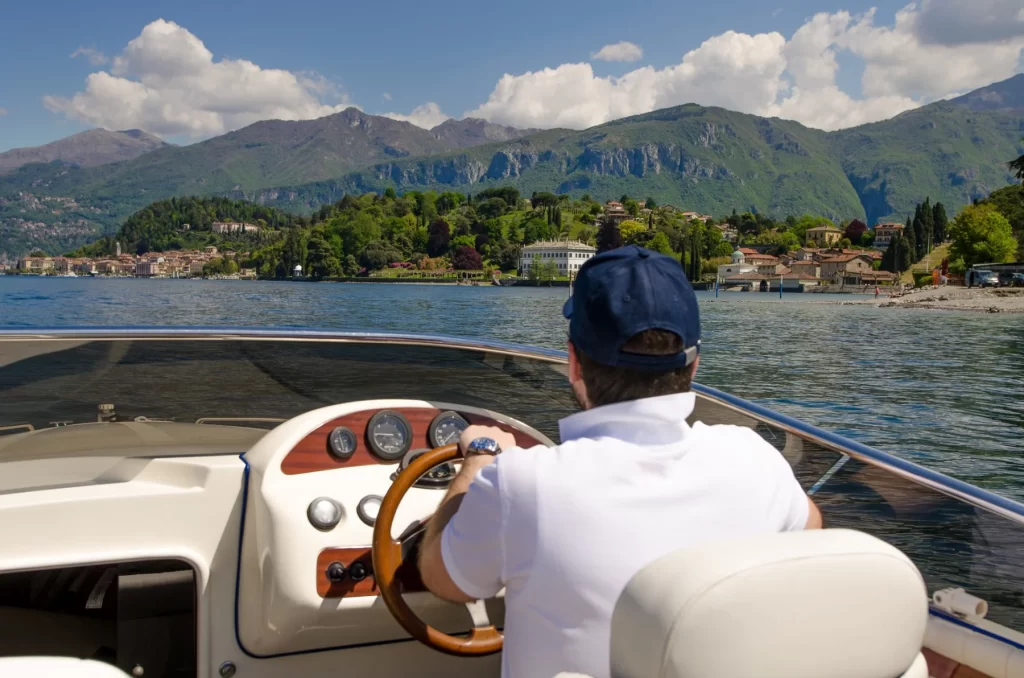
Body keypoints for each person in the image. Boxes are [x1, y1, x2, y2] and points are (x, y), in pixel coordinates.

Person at [418, 245, 823, 678]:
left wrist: (478, 461)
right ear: (695, 364)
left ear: (573, 363)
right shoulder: (754, 459)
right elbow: (811, 531)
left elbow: (444, 578)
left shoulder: (521, 483)